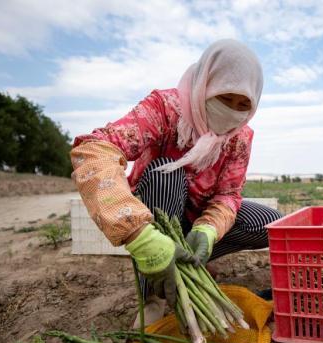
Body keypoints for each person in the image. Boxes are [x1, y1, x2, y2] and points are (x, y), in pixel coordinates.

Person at [70, 39, 282, 324]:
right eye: (223, 97)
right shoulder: (165, 109)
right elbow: (94, 150)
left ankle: (189, 261)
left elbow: (228, 194)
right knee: (164, 173)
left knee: (268, 223)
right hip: (156, 215)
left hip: (196, 221)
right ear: (205, 83)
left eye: (243, 104)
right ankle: (153, 293)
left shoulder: (239, 138)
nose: (232, 111)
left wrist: (208, 230)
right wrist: (138, 235)